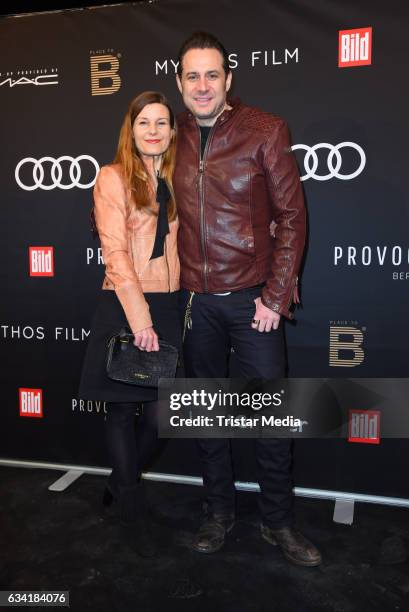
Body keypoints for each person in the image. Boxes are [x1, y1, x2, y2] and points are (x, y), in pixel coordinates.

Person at [173, 32, 322, 566]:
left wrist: (274, 297)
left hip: (253, 303)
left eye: (213, 74)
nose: (203, 85)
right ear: (180, 82)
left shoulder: (265, 129)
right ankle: (218, 512)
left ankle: (278, 523)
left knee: (270, 419)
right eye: (193, 75)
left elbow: (291, 218)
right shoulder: (173, 136)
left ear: (229, 79)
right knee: (207, 417)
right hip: (196, 303)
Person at [79, 91, 181, 557]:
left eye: (162, 122)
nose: (154, 131)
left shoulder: (180, 180)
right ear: (131, 128)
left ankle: (122, 483)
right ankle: (131, 507)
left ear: (173, 131)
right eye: (144, 122)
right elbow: (116, 254)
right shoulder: (113, 178)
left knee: (161, 416)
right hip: (125, 303)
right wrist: (139, 318)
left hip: (171, 305)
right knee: (121, 411)